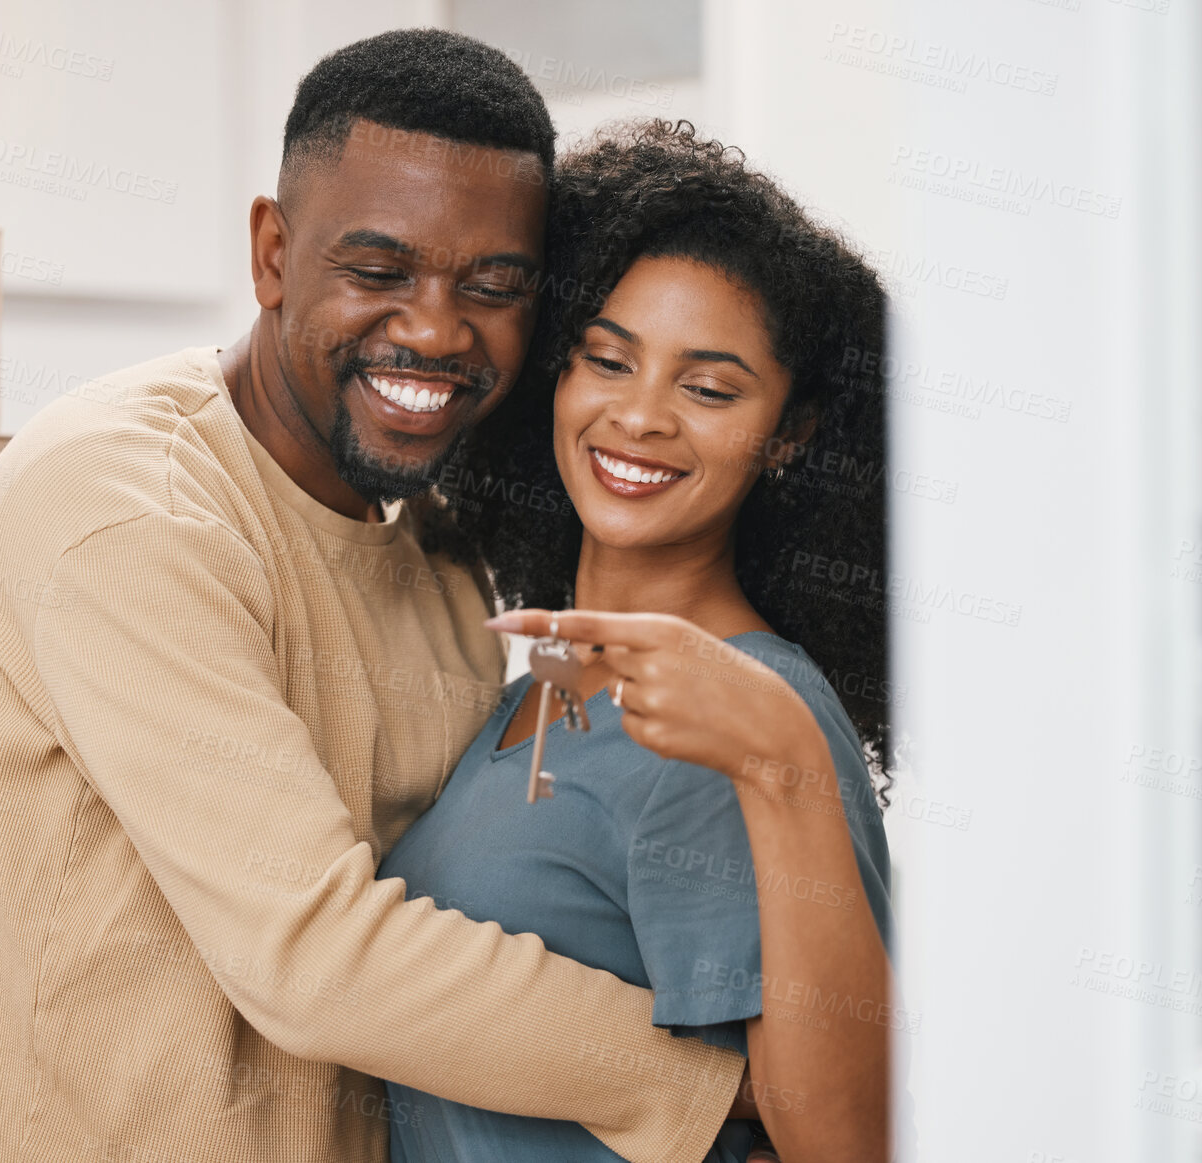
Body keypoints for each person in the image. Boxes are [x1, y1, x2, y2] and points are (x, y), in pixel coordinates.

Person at [0, 36, 750, 1163]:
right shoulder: (122, 509)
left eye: (492, 287)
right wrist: (719, 1086)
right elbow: (315, 952)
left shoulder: (435, 541)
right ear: (273, 252)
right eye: (378, 271)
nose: (432, 328)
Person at [380, 120, 897, 1163]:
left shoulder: (735, 715)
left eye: (708, 388)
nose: (640, 416)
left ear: (788, 435)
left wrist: (781, 761)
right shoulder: (541, 675)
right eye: (607, 361)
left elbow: (848, 1141)